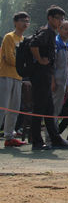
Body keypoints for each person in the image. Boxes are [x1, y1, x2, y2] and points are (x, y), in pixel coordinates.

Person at [30, 6, 68, 150]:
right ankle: (36, 141)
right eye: (57, 18)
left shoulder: (51, 33)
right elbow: (33, 44)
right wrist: (40, 60)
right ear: (50, 18)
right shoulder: (46, 32)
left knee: (48, 109)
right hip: (41, 75)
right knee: (39, 109)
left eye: (61, 19)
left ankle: (55, 137)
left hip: (46, 75)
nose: (60, 21)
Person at [0, 12, 30, 147]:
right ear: (15, 22)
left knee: (14, 108)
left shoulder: (24, 40)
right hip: (5, 75)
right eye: (23, 21)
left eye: (27, 21)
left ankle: (9, 137)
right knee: (3, 107)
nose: (25, 24)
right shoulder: (9, 37)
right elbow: (9, 57)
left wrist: (23, 66)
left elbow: (21, 60)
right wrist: (22, 64)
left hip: (18, 77)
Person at [46, 20, 68, 145]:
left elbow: (66, 67)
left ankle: (54, 135)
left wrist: (67, 83)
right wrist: (52, 82)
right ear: (59, 29)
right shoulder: (56, 43)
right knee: (53, 110)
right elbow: (52, 65)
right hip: (55, 81)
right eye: (65, 29)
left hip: (62, 82)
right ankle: (50, 137)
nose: (67, 31)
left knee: (58, 109)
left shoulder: (66, 45)